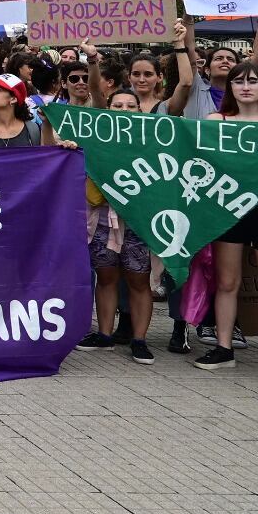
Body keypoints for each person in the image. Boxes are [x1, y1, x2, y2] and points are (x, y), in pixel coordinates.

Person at [72, 87, 156, 364]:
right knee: (106, 276)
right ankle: (105, 335)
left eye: (130, 106)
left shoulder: (152, 142)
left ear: (140, 110)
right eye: (117, 106)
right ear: (107, 111)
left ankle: (139, 339)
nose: (123, 111)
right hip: (102, 218)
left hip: (137, 220)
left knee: (139, 279)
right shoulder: (95, 140)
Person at [193, 60, 258, 370]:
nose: (246, 86)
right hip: (228, 208)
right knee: (228, 281)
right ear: (230, 86)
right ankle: (223, 347)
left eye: (254, 80)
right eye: (239, 81)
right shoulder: (214, 120)